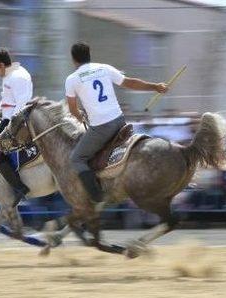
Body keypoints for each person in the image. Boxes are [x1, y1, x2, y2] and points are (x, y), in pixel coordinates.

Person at [65, 41, 168, 207]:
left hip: (101, 128)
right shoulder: (104, 68)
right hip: (120, 121)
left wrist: (80, 117)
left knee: (76, 158)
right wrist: (155, 86)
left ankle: (97, 198)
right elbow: (129, 83)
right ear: (90, 56)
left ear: (74, 60)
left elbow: (72, 109)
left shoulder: (72, 79)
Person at [0, 47, 33, 202]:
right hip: (7, 120)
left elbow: (22, 103)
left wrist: (10, 128)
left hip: (14, 122)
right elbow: (6, 99)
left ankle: (20, 188)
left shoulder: (18, 77)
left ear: (1, 64)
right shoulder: (9, 76)